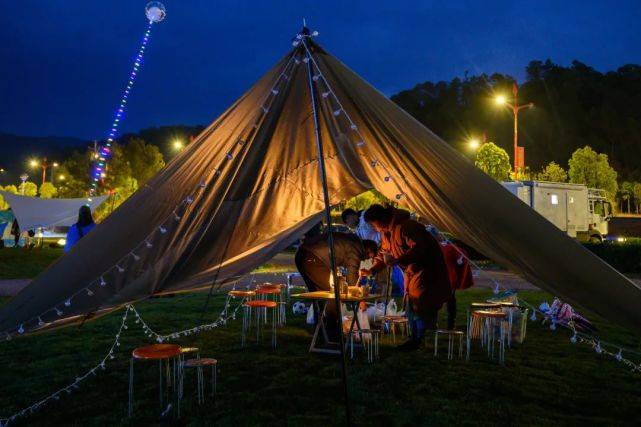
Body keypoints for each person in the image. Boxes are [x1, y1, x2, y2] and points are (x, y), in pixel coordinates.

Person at [361, 204, 451, 350]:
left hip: (425, 270)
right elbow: (384, 253)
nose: (374, 228)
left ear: (381, 219)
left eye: (373, 224)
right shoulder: (386, 233)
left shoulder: (407, 227)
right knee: (412, 303)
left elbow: (420, 248)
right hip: (411, 272)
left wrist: (399, 260)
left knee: (421, 302)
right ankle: (416, 337)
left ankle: (422, 337)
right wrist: (372, 270)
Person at [295, 228, 378, 340]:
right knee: (333, 294)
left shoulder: (351, 240)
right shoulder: (356, 248)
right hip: (314, 258)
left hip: (302, 254)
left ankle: (320, 329)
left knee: (318, 295)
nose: (368, 259)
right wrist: (360, 299)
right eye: (370, 256)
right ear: (368, 250)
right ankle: (332, 331)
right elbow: (352, 277)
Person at [427, 225, 474, 330]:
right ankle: (441, 324)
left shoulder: (447, 247)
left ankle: (447, 324)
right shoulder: (438, 247)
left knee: (446, 300)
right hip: (440, 278)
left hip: (447, 278)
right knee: (444, 301)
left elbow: (462, 255)